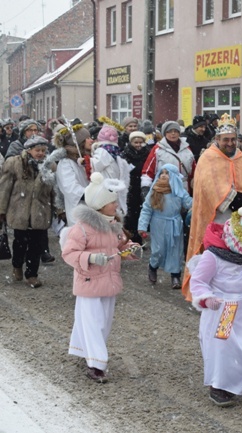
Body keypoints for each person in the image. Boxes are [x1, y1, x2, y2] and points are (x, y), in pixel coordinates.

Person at [183, 113, 242, 304]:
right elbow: (205, 186)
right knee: (219, 253)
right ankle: (211, 289)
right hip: (217, 216)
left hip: (240, 216)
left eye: (233, 139)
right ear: (217, 139)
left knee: (241, 253)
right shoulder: (208, 158)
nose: (230, 143)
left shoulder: (241, 157)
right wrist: (229, 198)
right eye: (226, 140)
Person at [189, 206, 242, 407]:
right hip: (225, 309)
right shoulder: (213, 256)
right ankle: (219, 385)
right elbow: (199, 281)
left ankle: (235, 379)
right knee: (223, 347)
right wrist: (206, 298)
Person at [61, 172, 135, 383]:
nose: (115, 205)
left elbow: (121, 245)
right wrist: (90, 257)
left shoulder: (113, 225)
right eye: (111, 202)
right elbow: (69, 253)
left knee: (102, 324)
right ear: (100, 205)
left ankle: (85, 351)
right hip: (89, 283)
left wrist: (131, 250)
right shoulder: (82, 228)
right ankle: (96, 364)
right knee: (93, 323)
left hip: (109, 283)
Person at [0, 134, 60, 286]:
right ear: (29, 150)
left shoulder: (49, 166)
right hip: (20, 210)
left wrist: (59, 209)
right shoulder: (14, 163)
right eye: (37, 150)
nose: (40, 153)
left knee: (36, 245)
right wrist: (1, 209)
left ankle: (32, 274)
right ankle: (17, 264)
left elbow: (55, 191)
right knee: (20, 243)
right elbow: (5, 188)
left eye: (43, 150)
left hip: (41, 211)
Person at [138, 164, 193, 289]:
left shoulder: (179, 191)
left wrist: (198, 202)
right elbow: (146, 209)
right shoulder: (154, 191)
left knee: (175, 250)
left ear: (173, 176)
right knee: (158, 249)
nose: (163, 175)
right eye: (161, 173)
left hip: (175, 223)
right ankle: (153, 266)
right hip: (158, 223)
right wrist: (142, 226)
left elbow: (189, 202)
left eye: (167, 173)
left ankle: (175, 276)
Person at [41, 123, 93, 226]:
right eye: (87, 138)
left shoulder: (86, 159)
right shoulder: (66, 163)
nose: (91, 140)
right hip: (79, 214)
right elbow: (71, 189)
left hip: (93, 211)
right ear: (79, 142)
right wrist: (93, 194)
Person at [141, 120, 195, 195]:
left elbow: (193, 171)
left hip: (184, 191)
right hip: (164, 191)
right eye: (169, 131)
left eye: (175, 131)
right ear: (164, 133)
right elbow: (148, 171)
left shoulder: (187, 149)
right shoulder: (158, 149)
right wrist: (145, 188)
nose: (173, 133)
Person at [91, 119, 131, 217]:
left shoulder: (102, 152)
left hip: (105, 192)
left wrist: (85, 161)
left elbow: (94, 166)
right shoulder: (116, 153)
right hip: (114, 190)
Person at [122, 131, 152, 245]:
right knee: (131, 215)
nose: (138, 145)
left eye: (140, 142)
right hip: (130, 186)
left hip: (143, 185)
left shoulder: (148, 153)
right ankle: (132, 239)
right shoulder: (125, 154)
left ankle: (140, 238)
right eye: (136, 142)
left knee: (142, 212)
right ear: (131, 142)